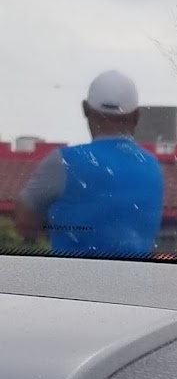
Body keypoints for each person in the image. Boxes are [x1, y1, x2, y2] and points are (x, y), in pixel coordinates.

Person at [14, 70, 165, 255]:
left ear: (85, 109)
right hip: (136, 274)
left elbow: (24, 216)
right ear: (136, 117)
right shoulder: (153, 167)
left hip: (71, 273)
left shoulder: (63, 161)